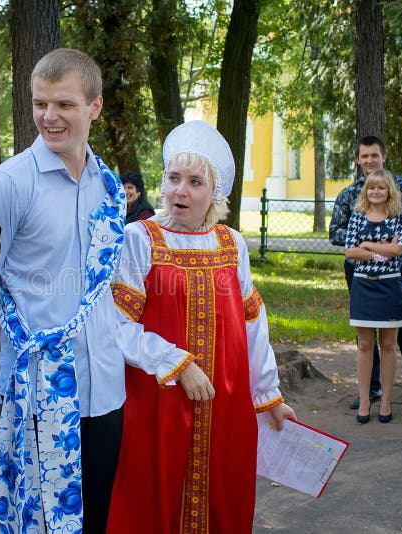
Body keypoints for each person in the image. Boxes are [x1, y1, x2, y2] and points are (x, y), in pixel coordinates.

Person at [0, 48, 210, 533]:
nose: (49, 117)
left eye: (64, 105)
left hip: (105, 390)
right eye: (40, 104)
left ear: (94, 108)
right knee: (37, 523)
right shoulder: (6, 186)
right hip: (41, 392)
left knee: (95, 518)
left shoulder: (109, 188)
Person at [106, 120, 296, 533]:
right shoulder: (140, 239)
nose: (180, 191)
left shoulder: (232, 244)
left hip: (224, 404)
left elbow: (252, 324)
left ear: (215, 193)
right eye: (174, 179)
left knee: (222, 499)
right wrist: (176, 362)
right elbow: (117, 325)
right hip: (157, 401)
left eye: (195, 182)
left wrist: (268, 395)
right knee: (150, 499)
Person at [329, 136, 402, 419]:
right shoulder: (349, 194)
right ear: (358, 160)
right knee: (365, 335)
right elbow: (336, 232)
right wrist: (374, 244)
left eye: (375, 155)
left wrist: (366, 242)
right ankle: (370, 392)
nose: (370, 160)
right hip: (359, 273)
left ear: (384, 157)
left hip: (394, 274)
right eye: (364, 156)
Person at [344, 169, 402, 424]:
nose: (376, 192)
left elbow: (399, 249)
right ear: (366, 191)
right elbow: (350, 252)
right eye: (371, 188)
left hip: (390, 287)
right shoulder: (358, 217)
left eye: (381, 188)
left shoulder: (398, 216)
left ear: (388, 191)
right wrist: (382, 251)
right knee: (365, 345)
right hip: (363, 287)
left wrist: (368, 246)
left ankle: (386, 401)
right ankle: (365, 400)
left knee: (389, 345)